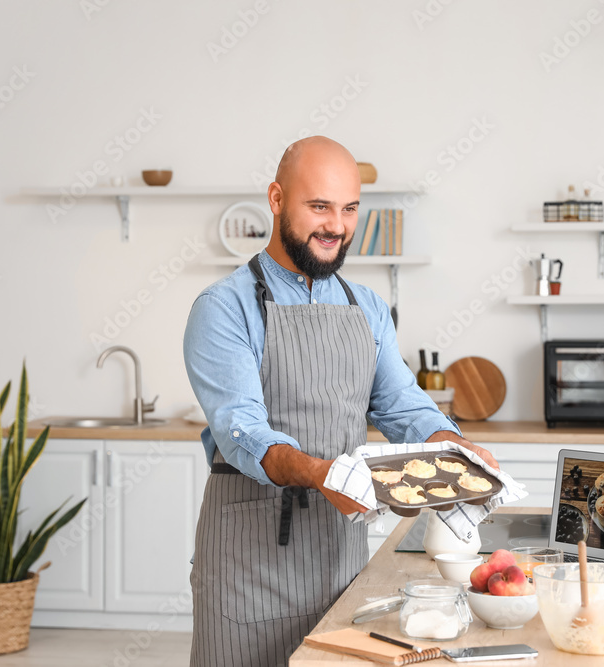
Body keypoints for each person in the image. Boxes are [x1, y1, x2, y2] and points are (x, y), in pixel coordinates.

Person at [183, 136, 497, 667]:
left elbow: (401, 403)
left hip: (339, 555)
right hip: (249, 561)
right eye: (319, 206)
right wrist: (322, 474)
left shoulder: (366, 307)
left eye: (349, 208)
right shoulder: (224, 308)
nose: (336, 225)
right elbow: (244, 433)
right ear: (277, 199)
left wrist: (454, 448)